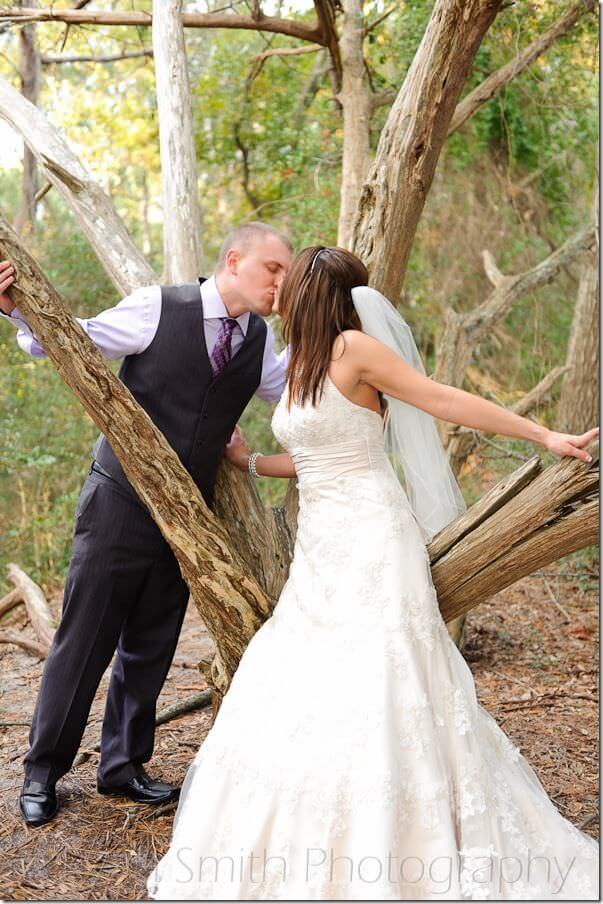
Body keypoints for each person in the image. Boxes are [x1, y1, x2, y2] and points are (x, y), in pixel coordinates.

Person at [147, 246, 599, 900]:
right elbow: (315, 457)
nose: (278, 292)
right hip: (320, 554)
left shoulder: (354, 349)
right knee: (303, 686)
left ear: (309, 294)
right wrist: (250, 462)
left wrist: (543, 436)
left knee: (383, 684)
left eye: (288, 282)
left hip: (374, 542)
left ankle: (402, 845)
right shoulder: (300, 361)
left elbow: (441, 399)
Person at [0, 221, 293, 827]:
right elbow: (71, 342)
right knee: (84, 640)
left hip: (188, 519)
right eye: (274, 269)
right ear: (234, 260)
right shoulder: (158, 307)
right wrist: (15, 311)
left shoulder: (260, 340)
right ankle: (41, 772)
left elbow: (289, 391)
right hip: (118, 503)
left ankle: (123, 767)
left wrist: (344, 345)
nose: (280, 283)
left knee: (151, 644)